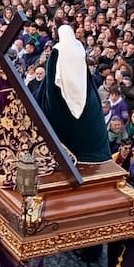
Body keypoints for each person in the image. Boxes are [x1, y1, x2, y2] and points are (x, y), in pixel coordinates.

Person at [34, 26, 111, 164]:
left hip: (61, 88)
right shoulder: (79, 47)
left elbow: (51, 76)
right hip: (81, 87)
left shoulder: (57, 50)